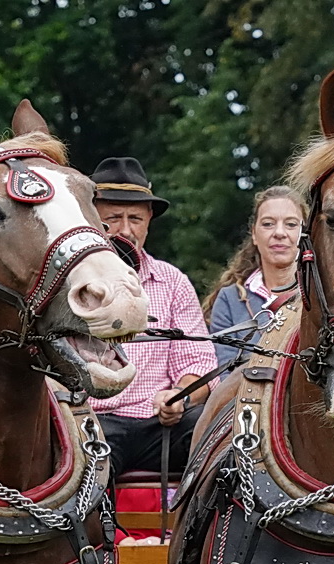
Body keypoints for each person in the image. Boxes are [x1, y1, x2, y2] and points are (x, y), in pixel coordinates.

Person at [87, 156, 218, 477]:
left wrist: (180, 396)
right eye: (113, 218)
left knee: (219, 442)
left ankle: (210, 528)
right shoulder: (71, 286)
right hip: (94, 423)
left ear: (148, 222)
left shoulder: (172, 281)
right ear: (90, 220)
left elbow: (198, 365)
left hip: (158, 423)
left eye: (135, 218)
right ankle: (98, 529)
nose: (126, 230)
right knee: (83, 463)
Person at [203, 186, 306, 371]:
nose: (280, 233)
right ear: (254, 234)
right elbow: (224, 373)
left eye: (291, 224)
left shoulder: (325, 295)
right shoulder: (230, 299)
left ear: (306, 233)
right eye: (268, 224)